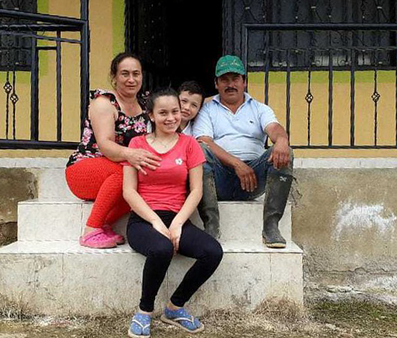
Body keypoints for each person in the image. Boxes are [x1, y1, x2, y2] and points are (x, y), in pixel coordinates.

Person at [123, 88, 223, 337]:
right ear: (151, 115)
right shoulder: (137, 145)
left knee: (213, 252)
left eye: (175, 112)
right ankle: (144, 311)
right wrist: (156, 221)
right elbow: (129, 192)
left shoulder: (190, 145)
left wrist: (178, 223)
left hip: (177, 217)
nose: (171, 118)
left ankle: (175, 307)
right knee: (161, 248)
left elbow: (197, 190)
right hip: (143, 220)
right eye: (163, 112)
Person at [193, 55, 293, 248]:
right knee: (199, 150)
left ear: (244, 82)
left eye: (235, 79)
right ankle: (211, 226)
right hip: (220, 176)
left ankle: (271, 227)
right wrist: (237, 164)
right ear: (216, 83)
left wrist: (282, 139)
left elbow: (274, 128)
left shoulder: (259, 108)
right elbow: (204, 141)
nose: (230, 84)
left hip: (253, 178)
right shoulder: (207, 109)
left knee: (285, 152)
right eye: (224, 79)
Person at [65, 53, 161, 249]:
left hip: (117, 170)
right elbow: (105, 144)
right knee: (125, 176)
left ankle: (105, 222)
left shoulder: (145, 105)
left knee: (143, 183)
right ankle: (92, 229)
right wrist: (131, 155)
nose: (131, 79)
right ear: (114, 77)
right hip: (84, 170)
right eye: (125, 74)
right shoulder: (104, 103)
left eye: (136, 74)